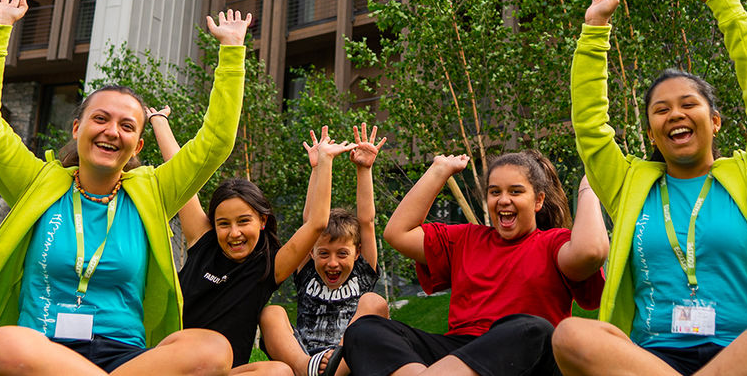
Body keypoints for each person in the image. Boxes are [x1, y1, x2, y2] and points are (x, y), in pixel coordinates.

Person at [0, 0, 251, 376]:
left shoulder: (154, 193)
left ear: (138, 144)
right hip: (42, 351)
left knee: (212, 348)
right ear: (77, 128)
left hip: (127, 358)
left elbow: (215, 143)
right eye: (100, 119)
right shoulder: (36, 183)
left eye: (126, 126)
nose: (112, 132)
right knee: (1, 345)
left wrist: (231, 54)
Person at [552, 0, 747, 376]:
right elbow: (590, 128)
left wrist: (730, 12)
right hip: (653, 361)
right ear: (650, 131)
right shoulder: (629, 185)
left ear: (715, 121)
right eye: (661, 110)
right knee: (570, 336)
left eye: (688, 104)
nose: (676, 115)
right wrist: (595, 29)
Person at [343, 151, 608, 376]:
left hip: (524, 358)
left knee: (533, 328)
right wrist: (439, 171)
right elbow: (397, 233)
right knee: (365, 329)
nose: (503, 199)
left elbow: (592, 251)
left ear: (538, 200)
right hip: (458, 354)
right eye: (495, 192)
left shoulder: (555, 243)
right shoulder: (467, 238)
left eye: (516, 191)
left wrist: (590, 186)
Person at [178, 127, 358, 374]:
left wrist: (325, 163)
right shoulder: (203, 242)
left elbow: (316, 223)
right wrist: (158, 120)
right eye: (224, 224)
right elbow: (179, 174)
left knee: (278, 372)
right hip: (177, 364)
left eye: (243, 221)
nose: (234, 233)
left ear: (262, 221)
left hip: (225, 371)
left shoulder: (270, 266)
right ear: (214, 224)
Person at [259, 124, 392, 376]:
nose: (332, 263)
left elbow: (366, 221)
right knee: (271, 312)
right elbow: (311, 220)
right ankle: (304, 369)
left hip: (348, 356)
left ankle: (335, 370)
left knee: (375, 302)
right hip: (305, 356)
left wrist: (364, 169)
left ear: (357, 252)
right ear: (310, 253)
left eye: (342, 253)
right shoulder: (307, 271)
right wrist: (319, 167)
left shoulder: (362, 271)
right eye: (323, 253)